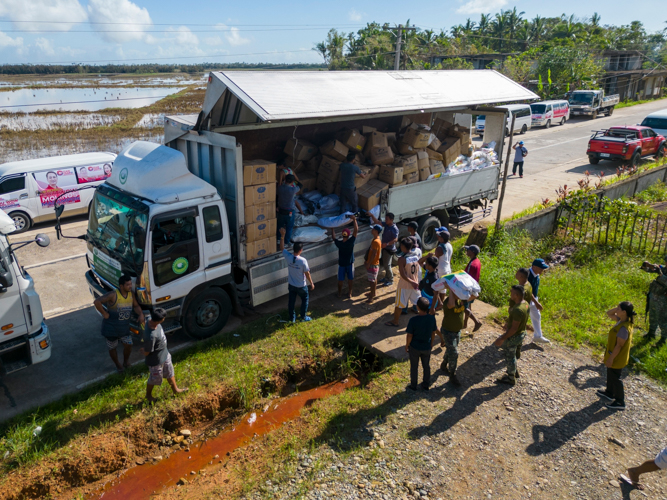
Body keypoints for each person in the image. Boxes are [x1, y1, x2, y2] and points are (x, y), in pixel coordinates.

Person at [94, 274, 145, 373]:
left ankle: (125, 362)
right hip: (111, 328)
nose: (130, 286)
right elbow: (97, 302)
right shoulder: (113, 295)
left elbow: (136, 306)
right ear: (121, 286)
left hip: (123, 328)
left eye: (130, 284)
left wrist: (141, 314)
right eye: (127, 285)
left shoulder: (131, 295)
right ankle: (118, 365)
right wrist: (104, 314)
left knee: (129, 344)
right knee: (112, 347)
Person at [140, 307, 187, 403]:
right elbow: (147, 352)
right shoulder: (151, 336)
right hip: (156, 361)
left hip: (165, 354)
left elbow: (143, 318)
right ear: (160, 320)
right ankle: (148, 396)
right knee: (154, 378)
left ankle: (176, 390)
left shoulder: (150, 319)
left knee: (170, 372)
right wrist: (143, 350)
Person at [597, 302, 636, 410]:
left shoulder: (623, 328)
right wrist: (618, 309)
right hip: (614, 356)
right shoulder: (621, 321)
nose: (616, 310)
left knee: (616, 378)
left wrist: (611, 359)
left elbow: (619, 346)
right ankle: (609, 393)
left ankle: (620, 401)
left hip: (617, 357)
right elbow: (609, 313)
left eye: (618, 308)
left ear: (624, 312)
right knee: (610, 373)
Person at [493, 284, 529, 386]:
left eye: (512, 292)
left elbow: (514, 329)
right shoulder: (525, 304)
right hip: (522, 333)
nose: (510, 294)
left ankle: (510, 378)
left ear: (516, 295)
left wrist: (502, 338)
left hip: (514, 336)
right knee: (513, 354)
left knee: (510, 356)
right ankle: (514, 372)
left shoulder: (518, 309)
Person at [405, 297, 442, 391]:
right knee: (426, 366)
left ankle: (413, 385)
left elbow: (409, 335)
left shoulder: (413, 320)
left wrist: (407, 345)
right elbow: (433, 332)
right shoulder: (431, 319)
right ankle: (426, 384)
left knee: (414, 367)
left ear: (418, 307)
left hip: (414, 347)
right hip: (426, 346)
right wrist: (431, 343)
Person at [280, 227, 314, 322]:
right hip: (301, 286)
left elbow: (282, 248)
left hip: (291, 285)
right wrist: (311, 283)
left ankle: (292, 318)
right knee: (305, 300)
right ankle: (303, 317)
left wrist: (282, 236)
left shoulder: (288, 257)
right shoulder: (303, 261)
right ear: (300, 250)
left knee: (291, 302)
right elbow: (307, 273)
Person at [386, 237, 421, 327]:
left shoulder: (402, 259)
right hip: (415, 284)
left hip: (404, 285)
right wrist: (414, 282)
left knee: (399, 304)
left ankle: (395, 321)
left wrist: (411, 282)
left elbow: (403, 275)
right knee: (419, 303)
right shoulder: (415, 256)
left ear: (403, 246)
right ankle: (423, 319)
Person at [439, 282, 466, 386]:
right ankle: (452, 375)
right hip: (447, 331)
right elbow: (451, 305)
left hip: (457, 331)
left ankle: (444, 365)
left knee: (450, 349)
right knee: (454, 352)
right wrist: (451, 289)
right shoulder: (448, 303)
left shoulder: (461, 301)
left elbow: (475, 296)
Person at [641, 257, 667, 347]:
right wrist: (646, 266)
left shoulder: (662, 271)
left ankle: (663, 339)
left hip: (664, 300)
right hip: (654, 296)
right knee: (652, 314)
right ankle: (651, 333)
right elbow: (649, 270)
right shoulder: (663, 268)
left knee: (662, 319)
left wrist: (660, 274)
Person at [368, 211, 399, 287]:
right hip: (385, 248)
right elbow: (378, 222)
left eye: (387, 219)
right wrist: (372, 215)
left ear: (391, 220)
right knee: (385, 264)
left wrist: (387, 244)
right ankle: (386, 277)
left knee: (387, 265)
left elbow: (395, 239)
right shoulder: (387, 225)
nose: (386, 220)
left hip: (389, 249)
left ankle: (390, 279)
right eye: (385, 218)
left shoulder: (394, 228)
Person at [332, 215, 358, 298]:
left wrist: (332, 228)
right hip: (350, 263)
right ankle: (350, 293)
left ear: (342, 235)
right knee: (350, 279)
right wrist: (354, 220)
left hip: (342, 264)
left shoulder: (340, 244)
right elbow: (356, 231)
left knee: (340, 280)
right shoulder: (351, 242)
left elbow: (334, 238)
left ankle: (339, 293)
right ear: (348, 235)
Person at [276, 174, 304, 246]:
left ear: (284, 180)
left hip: (281, 210)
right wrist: (296, 181)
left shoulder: (280, 188)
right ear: (292, 182)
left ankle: (279, 239)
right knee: (289, 227)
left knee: (280, 226)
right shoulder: (293, 189)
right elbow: (301, 185)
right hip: (290, 211)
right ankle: (286, 242)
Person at [528, 258, 550, 344]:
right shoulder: (528, 275)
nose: (542, 270)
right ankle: (510, 335)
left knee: (537, 316)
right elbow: (528, 291)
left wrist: (535, 301)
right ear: (534, 267)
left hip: (533, 299)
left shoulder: (536, 274)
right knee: (521, 318)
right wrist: (537, 303)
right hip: (525, 299)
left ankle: (538, 336)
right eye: (541, 268)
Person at [463, 245, 483, 332]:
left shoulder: (472, 264)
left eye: (468, 250)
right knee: (469, 305)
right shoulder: (477, 261)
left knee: (463, 306)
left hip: (469, 288)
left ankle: (477, 322)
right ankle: (465, 323)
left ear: (472, 252)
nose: (467, 251)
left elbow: (466, 277)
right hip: (474, 286)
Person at [365, 224, 383, 303]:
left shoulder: (376, 241)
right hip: (375, 263)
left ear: (376, 231)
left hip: (373, 264)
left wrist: (368, 263)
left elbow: (374, 254)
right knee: (374, 279)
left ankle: (371, 297)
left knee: (372, 281)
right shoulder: (376, 239)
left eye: (373, 229)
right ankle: (373, 292)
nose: (372, 230)